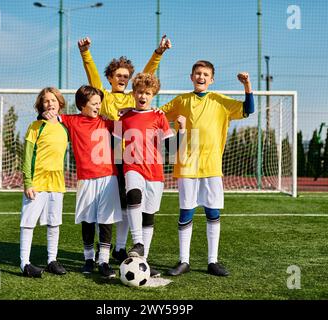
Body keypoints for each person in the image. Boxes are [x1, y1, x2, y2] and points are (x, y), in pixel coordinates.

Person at [77, 35, 172, 263]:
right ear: (110, 77)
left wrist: (158, 53)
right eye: (118, 75)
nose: (122, 78)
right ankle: (106, 252)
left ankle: (121, 248)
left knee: (131, 203)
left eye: (125, 76)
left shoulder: (135, 96)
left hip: (130, 158)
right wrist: (86, 53)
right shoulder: (104, 96)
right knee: (114, 208)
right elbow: (93, 77)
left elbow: (146, 77)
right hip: (107, 158)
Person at [161, 60, 255, 277]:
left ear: (211, 80)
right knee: (186, 211)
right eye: (197, 73)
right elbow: (158, 116)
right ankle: (184, 261)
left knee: (212, 212)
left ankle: (212, 261)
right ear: (191, 76)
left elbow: (248, 109)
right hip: (186, 165)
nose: (201, 77)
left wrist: (247, 85)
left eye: (205, 74)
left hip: (212, 166)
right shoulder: (181, 101)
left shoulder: (220, 101)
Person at [113, 72, 186, 278]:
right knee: (133, 195)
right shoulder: (124, 117)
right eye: (139, 92)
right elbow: (117, 148)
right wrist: (118, 173)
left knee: (148, 215)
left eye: (147, 93)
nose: (143, 96)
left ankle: (142, 260)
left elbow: (172, 150)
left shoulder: (159, 116)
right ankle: (137, 242)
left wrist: (182, 130)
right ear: (133, 93)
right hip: (132, 167)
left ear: (153, 94)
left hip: (155, 172)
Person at [60, 85, 122, 279]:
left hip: (108, 176)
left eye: (99, 103)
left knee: (106, 220)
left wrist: (123, 113)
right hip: (86, 178)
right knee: (87, 219)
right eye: (94, 103)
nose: (98, 106)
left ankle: (103, 260)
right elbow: (54, 117)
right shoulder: (72, 121)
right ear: (82, 105)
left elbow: (124, 125)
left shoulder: (107, 122)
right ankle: (88, 258)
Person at [19, 87, 69, 278]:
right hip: (37, 182)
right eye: (46, 101)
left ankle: (51, 260)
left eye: (53, 100)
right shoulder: (35, 127)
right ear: (41, 105)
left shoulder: (64, 127)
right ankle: (25, 263)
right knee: (28, 223)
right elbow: (27, 156)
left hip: (57, 182)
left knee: (54, 223)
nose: (50, 104)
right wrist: (27, 182)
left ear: (60, 103)